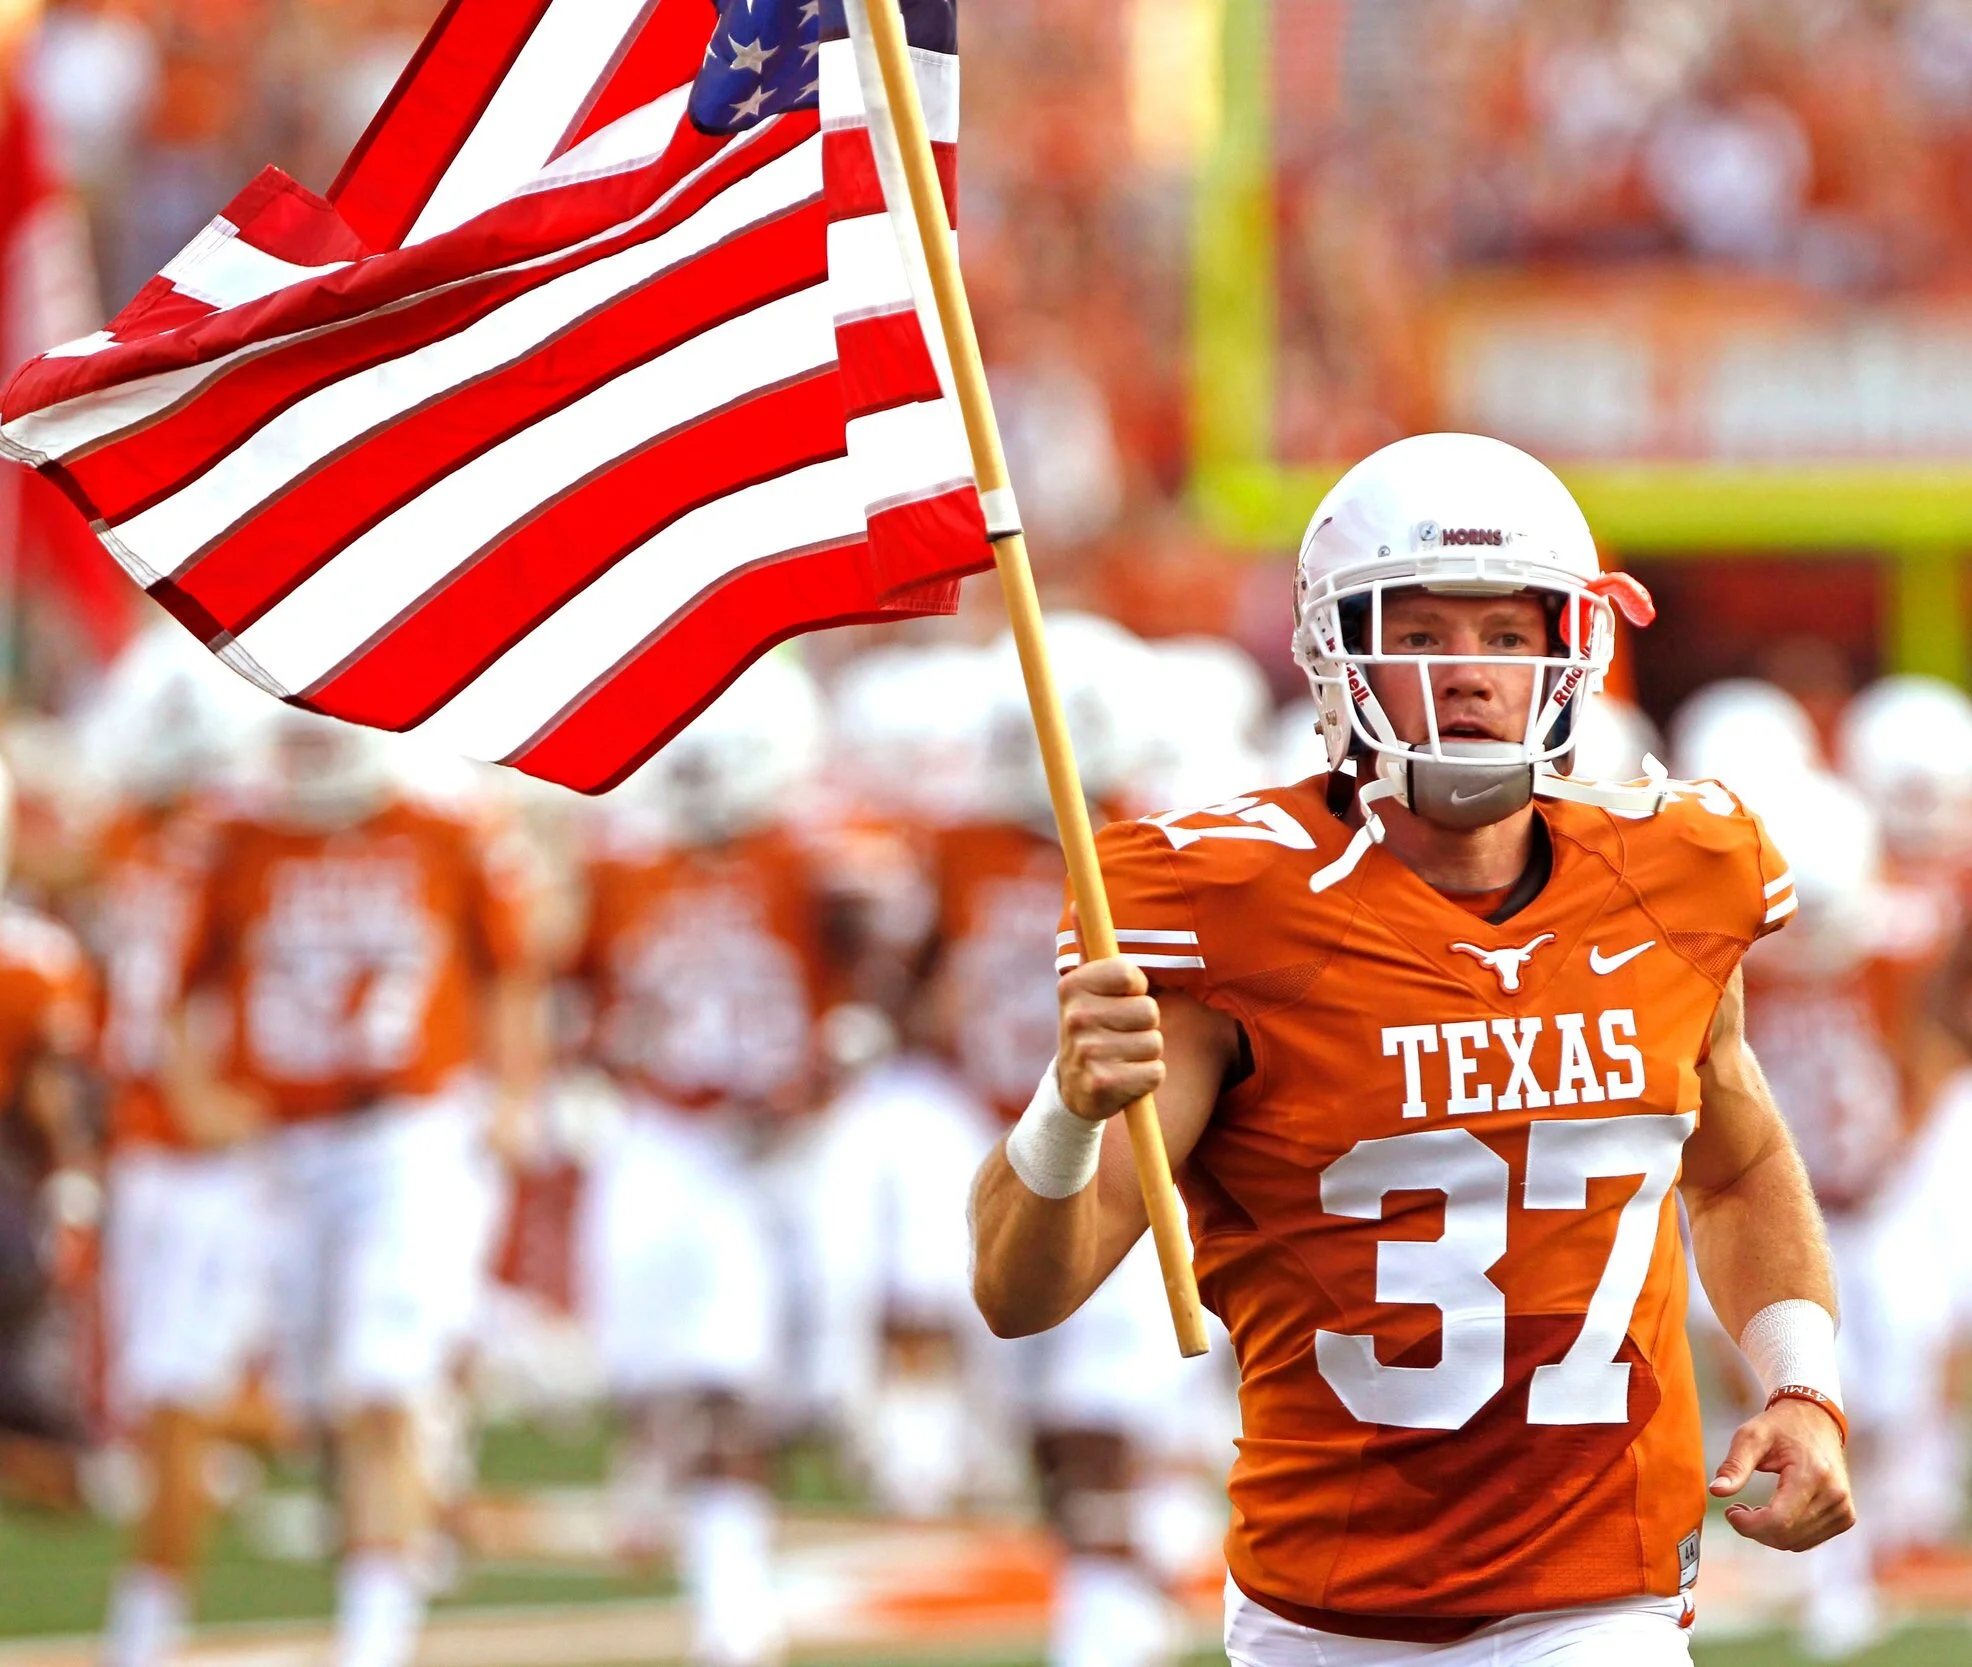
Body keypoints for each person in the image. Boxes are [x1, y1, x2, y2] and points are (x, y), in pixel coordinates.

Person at [970, 433, 1854, 1664]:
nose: (1471, 676)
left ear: (1572, 646)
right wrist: (1066, 1108)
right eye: (1424, 631)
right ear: (1336, 653)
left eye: (1507, 635)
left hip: (1604, 1594)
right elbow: (1021, 1292)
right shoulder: (1223, 909)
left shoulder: (1675, 872)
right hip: (1326, 1611)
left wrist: (1801, 1383)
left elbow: (1736, 1164)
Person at [169, 710, 540, 1667]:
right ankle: (395, 1535)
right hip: (285, 1144)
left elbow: (513, 968)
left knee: (382, 1384)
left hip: (406, 1132)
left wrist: (510, 1092)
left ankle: (374, 1643)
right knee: (310, 1403)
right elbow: (176, 983)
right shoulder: (232, 835)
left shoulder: (449, 822)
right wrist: (196, 1089)